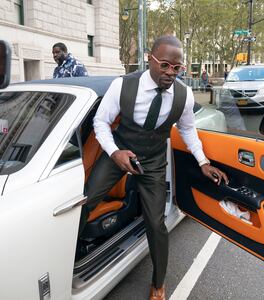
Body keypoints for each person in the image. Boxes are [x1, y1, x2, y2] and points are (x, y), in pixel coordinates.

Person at [81, 35, 228, 300]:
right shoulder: (122, 86)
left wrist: (203, 162)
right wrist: (114, 153)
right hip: (119, 152)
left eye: (177, 68)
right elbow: (101, 122)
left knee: (156, 223)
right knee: (85, 202)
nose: (171, 72)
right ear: (150, 58)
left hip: (154, 161)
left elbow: (187, 129)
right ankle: (72, 253)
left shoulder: (183, 95)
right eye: (164, 65)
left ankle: (158, 283)